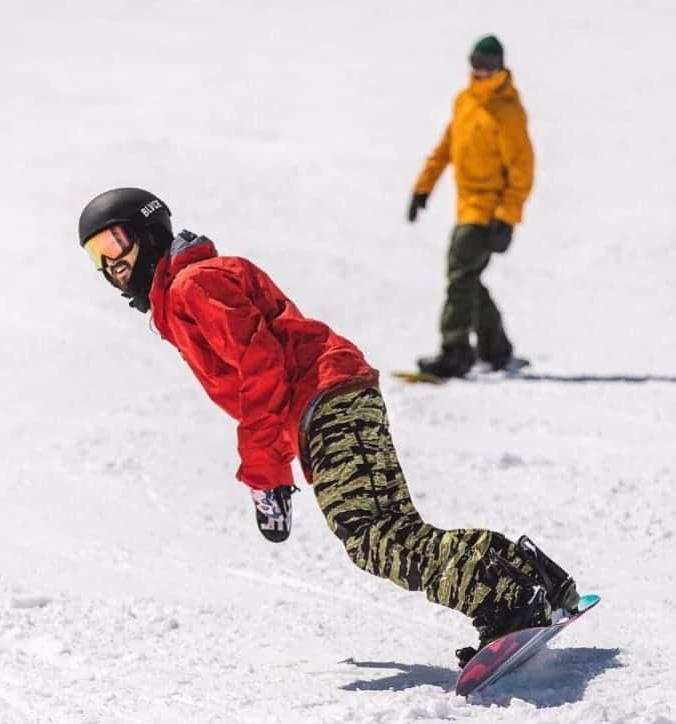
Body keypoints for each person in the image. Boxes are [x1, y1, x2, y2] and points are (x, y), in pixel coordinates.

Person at [78, 187, 577, 665]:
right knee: (394, 531)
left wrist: (265, 476)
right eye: (96, 255)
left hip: (325, 400)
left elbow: (262, 370)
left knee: (372, 537)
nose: (111, 264)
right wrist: (270, 471)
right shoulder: (185, 293)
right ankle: (532, 579)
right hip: (334, 395)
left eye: (115, 242)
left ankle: (508, 602)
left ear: (151, 230)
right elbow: (265, 380)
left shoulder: (194, 284)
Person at [408, 35, 534, 378]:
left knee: (460, 277)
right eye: (476, 64)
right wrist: (423, 189)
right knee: (468, 278)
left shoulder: (508, 112)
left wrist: (507, 218)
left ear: (500, 68)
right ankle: (496, 349)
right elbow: (446, 148)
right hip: (466, 207)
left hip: (488, 212)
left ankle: (456, 351)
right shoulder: (465, 101)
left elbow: (522, 170)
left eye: (487, 66)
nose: (480, 72)